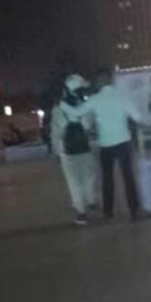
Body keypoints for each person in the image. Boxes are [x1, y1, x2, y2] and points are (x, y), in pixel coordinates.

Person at [82, 67, 143, 221]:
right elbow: (137, 117)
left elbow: (85, 122)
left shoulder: (94, 99)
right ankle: (134, 209)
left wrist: (92, 126)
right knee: (128, 176)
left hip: (105, 143)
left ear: (99, 81)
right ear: (111, 80)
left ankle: (108, 211)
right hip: (123, 141)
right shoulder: (122, 96)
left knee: (107, 178)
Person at [50, 74, 97, 226]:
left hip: (67, 150)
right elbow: (89, 127)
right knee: (88, 176)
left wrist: (56, 152)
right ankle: (91, 199)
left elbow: (55, 134)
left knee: (74, 182)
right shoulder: (85, 106)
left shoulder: (58, 109)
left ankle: (81, 212)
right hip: (84, 147)